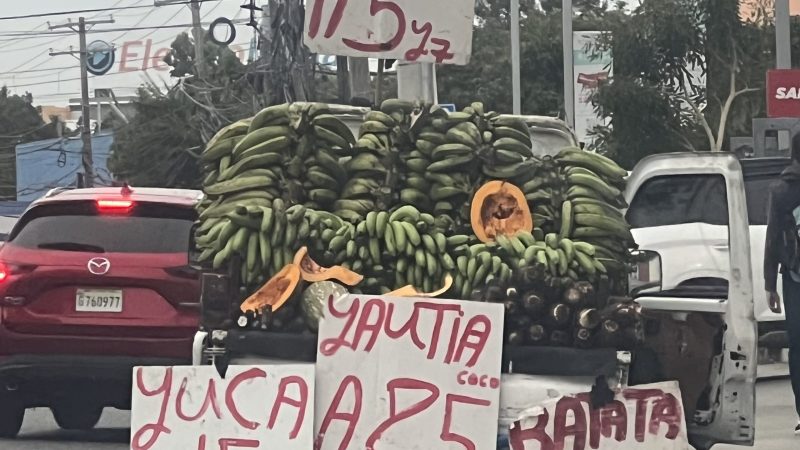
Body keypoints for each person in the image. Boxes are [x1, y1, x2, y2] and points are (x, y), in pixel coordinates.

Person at [764, 133, 800, 433]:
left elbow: (773, 237)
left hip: (793, 277)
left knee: (798, 347)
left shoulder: (781, 189)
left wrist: (769, 284)